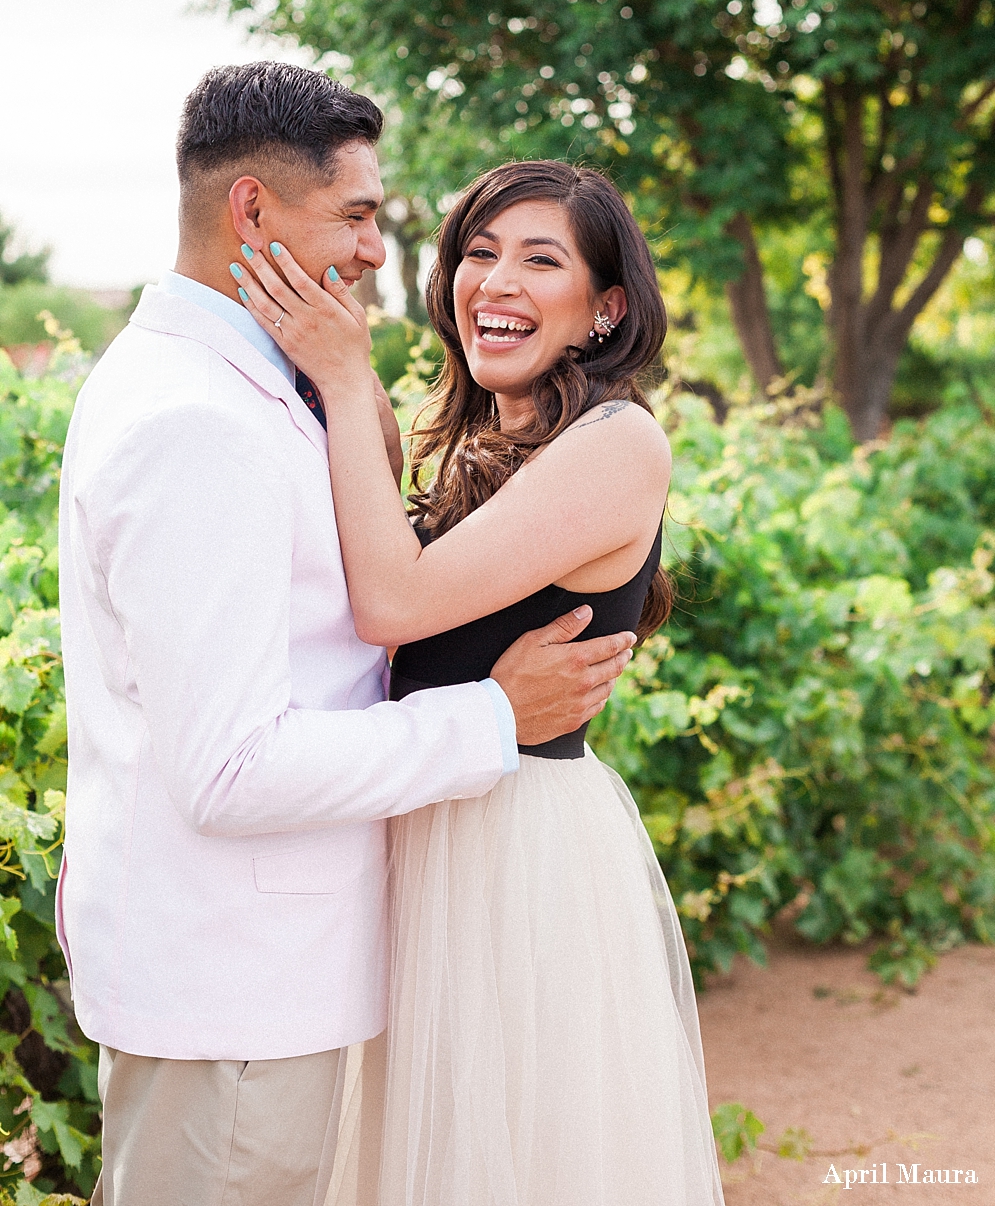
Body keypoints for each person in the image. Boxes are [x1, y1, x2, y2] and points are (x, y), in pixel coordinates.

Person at [57, 64, 638, 1206]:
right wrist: (491, 714)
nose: (383, 251)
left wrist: (350, 390)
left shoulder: (257, 389)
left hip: (300, 968)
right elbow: (231, 767)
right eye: (360, 215)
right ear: (255, 214)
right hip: (238, 987)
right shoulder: (197, 422)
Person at [232, 159, 726, 1205]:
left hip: (515, 850)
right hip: (424, 820)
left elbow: (395, 605)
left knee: (508, 1154)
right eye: (477, 253)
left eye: (539, 260)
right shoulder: (478, 436)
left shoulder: (617, 441)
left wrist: (337, 371)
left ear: (606, 307)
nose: (493, 281)